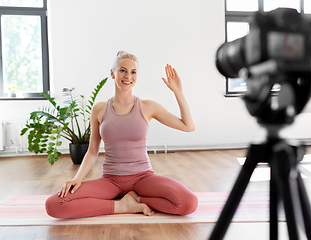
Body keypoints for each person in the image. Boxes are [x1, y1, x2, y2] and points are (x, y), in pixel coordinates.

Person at [45, 51, 198, 218]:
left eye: (133, 72)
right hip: (110, 181)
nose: (128, 76)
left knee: (189, 203)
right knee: (54, 205)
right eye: (122, 70)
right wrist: (77, 178)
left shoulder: (148, 106)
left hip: (144, 178)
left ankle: (136, 199)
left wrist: (178, 91)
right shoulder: (99, 109)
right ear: (113, 73)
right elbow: (93, 150)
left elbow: (188, 126)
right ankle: (122, 205)